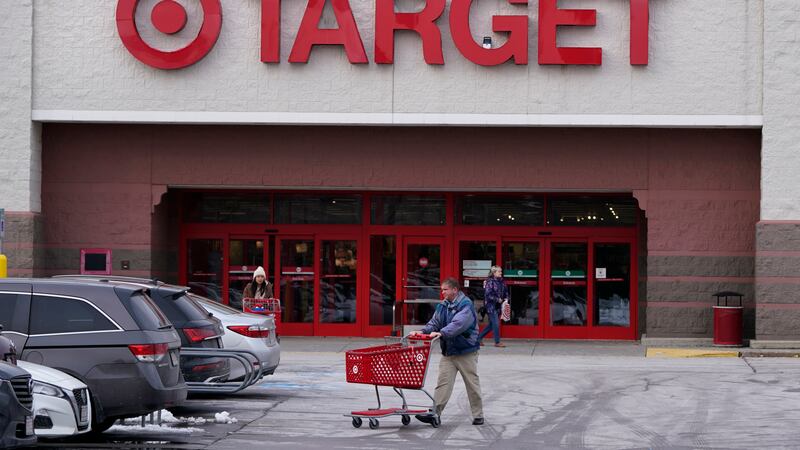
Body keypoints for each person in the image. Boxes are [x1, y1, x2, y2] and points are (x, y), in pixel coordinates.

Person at [411, 277, 484, 426]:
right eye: (442, 289)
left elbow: (459, 324)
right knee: (443, 383)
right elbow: (435, 322)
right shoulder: (443, 305)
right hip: (449, 351)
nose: (442, 292)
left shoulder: (466, 305)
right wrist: (423, 331)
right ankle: (434, 413)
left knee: (472, 384)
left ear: (454, 290)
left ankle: (478, 415)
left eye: (445, 289)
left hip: (465, 351)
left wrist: (442, 333)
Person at [477, 265, 508, 347]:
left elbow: (505, 292)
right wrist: (498, 299)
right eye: (499, 271)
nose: (501, 273)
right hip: (491, 306)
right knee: (496, 323)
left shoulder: (502, 282)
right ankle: (497, 342)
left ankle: (478, 338)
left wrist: (506, 299)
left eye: (501, 271)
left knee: (491, 325)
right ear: (494, 273)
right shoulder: (490, 282)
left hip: (498, 306)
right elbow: (488, 295)